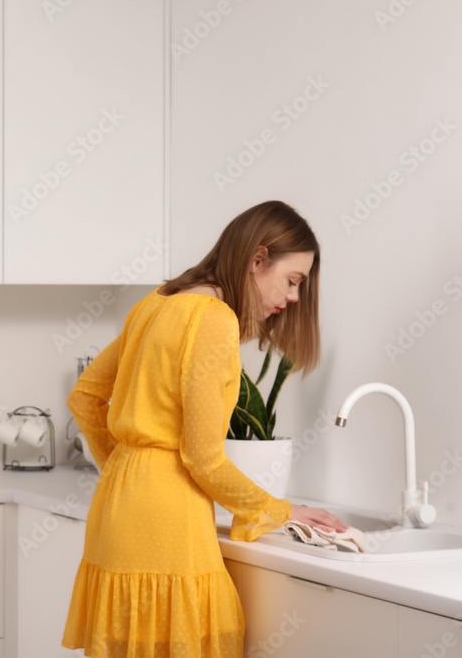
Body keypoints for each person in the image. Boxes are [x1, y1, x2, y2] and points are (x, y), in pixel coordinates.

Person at [61, 201, 346, 658]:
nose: (293, 298)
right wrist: (280, 509)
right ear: (257, 259)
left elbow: (84, 395)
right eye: (292, 281)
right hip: (165, 519)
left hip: (116, 508)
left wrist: (122, 463)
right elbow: (203, 457)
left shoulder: (156, 302)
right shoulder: (213, 319)